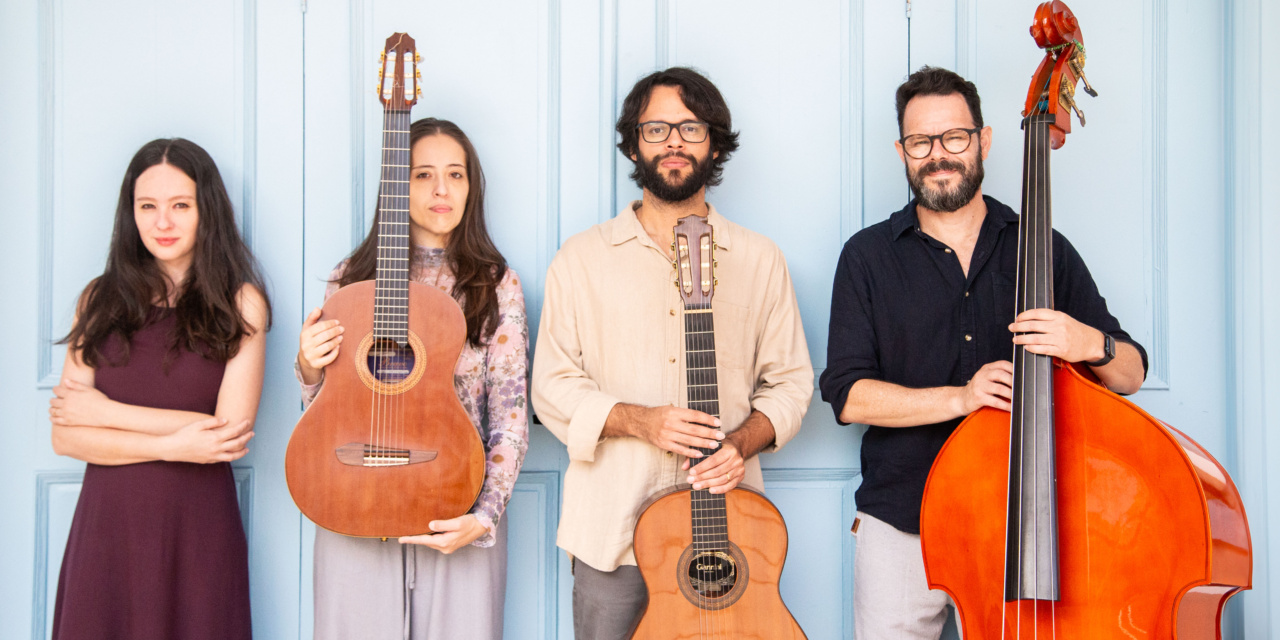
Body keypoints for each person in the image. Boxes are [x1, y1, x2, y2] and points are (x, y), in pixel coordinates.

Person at [819, 66, 1148, 639]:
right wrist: (963, 397)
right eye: (921, 142)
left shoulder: (1043, 248)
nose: (938, 155)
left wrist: (1087, 342)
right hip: (903, 522)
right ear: (902, 150)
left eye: (954, 138)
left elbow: (1132, 374)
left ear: (984, 141)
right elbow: (848, 396)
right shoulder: (867, 257)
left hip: (1028, 525)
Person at [531, 67, 813, 639]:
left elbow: (791, 384)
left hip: (731, 536)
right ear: (634, 141)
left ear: (715, 142)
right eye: (657, 128)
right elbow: (551, 386)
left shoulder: (759, 260)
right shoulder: (581, 258)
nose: (674, 142)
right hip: (609, 535)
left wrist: (739, 443)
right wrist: (640, 421)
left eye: (690, 127)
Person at [295, 117, 528, 640]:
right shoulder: (351, 280)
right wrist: (309, 366)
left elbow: (510, 414)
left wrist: (484, 515)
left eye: (456, 175)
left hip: (456, 508)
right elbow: (325, 411)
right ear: (397, 186)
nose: (442, 190)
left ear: (473, 186)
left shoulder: (495, 285)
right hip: (352, 504)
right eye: (422, 175)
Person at [48, 138, 271, 640]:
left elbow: (227, 436)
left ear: (206, 210)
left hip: (195, 532)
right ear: (131, 214)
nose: (162, 222)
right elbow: (66, 436)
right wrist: (174, 444)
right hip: (107, 532)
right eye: (147, 206)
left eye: (180, 206)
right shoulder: (99, 298)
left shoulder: (241, 305)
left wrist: (104, 410)